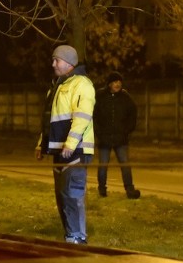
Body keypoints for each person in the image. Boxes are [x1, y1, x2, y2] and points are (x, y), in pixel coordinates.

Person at [35, 45, 95, 245]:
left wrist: (70, 143)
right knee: (62, 196)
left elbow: (82, 117)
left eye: (56, 60)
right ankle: (70, 235)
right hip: (60, 149)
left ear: (69, 63)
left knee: (72, 193)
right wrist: (41, 145)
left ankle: (78, 237)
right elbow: (49, 120)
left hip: (75, 150)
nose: (53, 64)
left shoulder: (82, 85)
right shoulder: (58, 85)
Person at [93, 71, 140, 199]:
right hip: (104, 137)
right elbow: (94, 116)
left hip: (121, 138)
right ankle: (102, 189)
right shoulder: (100, 96)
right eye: (114, 82)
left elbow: (133, 113)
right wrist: (99, 132)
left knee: (125, 164)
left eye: (119, 82)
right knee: (103, 164)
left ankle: (129, 189)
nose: (117, 84)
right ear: (109, 84)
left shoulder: (125, 97)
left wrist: (127, 130)